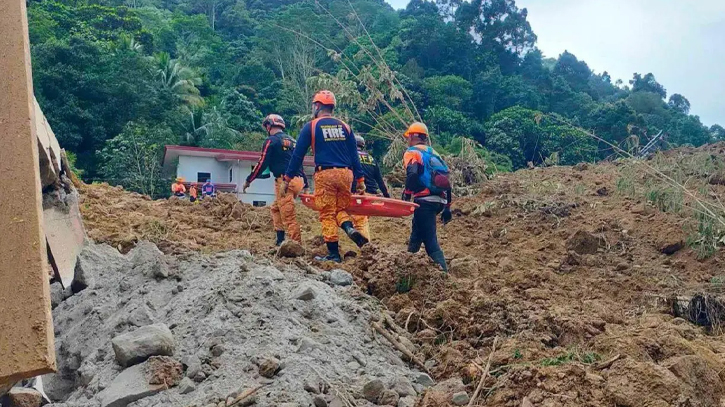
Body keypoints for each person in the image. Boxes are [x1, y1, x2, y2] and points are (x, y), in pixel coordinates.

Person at [284, 90, 367, 262]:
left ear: (317, 106)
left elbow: (297, 155)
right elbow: (354, 156)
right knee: (340, 209)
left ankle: (334, 254)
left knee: (327, 213)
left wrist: (287, 178)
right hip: (346, 174)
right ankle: (349, 228)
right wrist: (360, 181)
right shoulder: (345, 127)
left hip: (325, 174)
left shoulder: (312, 126)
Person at [243, 114, 307, 245]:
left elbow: (262, 162)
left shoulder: (271, 141)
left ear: (269, 125)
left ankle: (296, 245)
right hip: (298, 180)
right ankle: (280, 240)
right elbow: (299, 162)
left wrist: (249, 180)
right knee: (275, 208)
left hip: (284, 182)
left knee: (288, 216)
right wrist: (304, 181)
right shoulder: (293, 141)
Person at [401, 122, 452, 272]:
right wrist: (448, 206)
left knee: (430, 241)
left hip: (424, 201)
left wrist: (407, 195)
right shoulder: (434, 153)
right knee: (417, 233)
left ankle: (444, 275)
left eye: (408, 136)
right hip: (439, 201)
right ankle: (406, 267)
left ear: (413, 136)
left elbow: (412, 174)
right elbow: (447, 179)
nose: (407, 140)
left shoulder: (412, 152)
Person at [351, 135, 390, 241]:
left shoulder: (350, 157)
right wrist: (387, 197)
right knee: (361, 220)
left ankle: (366, 247)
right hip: (371, 196)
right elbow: (380, 181)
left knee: (359, 222)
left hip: (358, 195)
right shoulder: (371, 159)